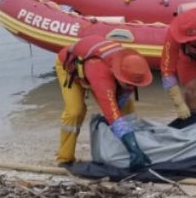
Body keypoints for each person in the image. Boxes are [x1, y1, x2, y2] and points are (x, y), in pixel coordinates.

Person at [54, 35, 153, 170]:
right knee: (75, 111)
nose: (131, 87)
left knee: (127, 108)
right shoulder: (101, 76)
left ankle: (127, 149)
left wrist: (120, 105)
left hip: (95, 68)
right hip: (71, 71)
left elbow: (121, 102)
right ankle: (64, 158)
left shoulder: (130, 65)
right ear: (118, 75)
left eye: (133, 85)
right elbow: (112, 114)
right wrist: (133, 148)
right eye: (128, 83)